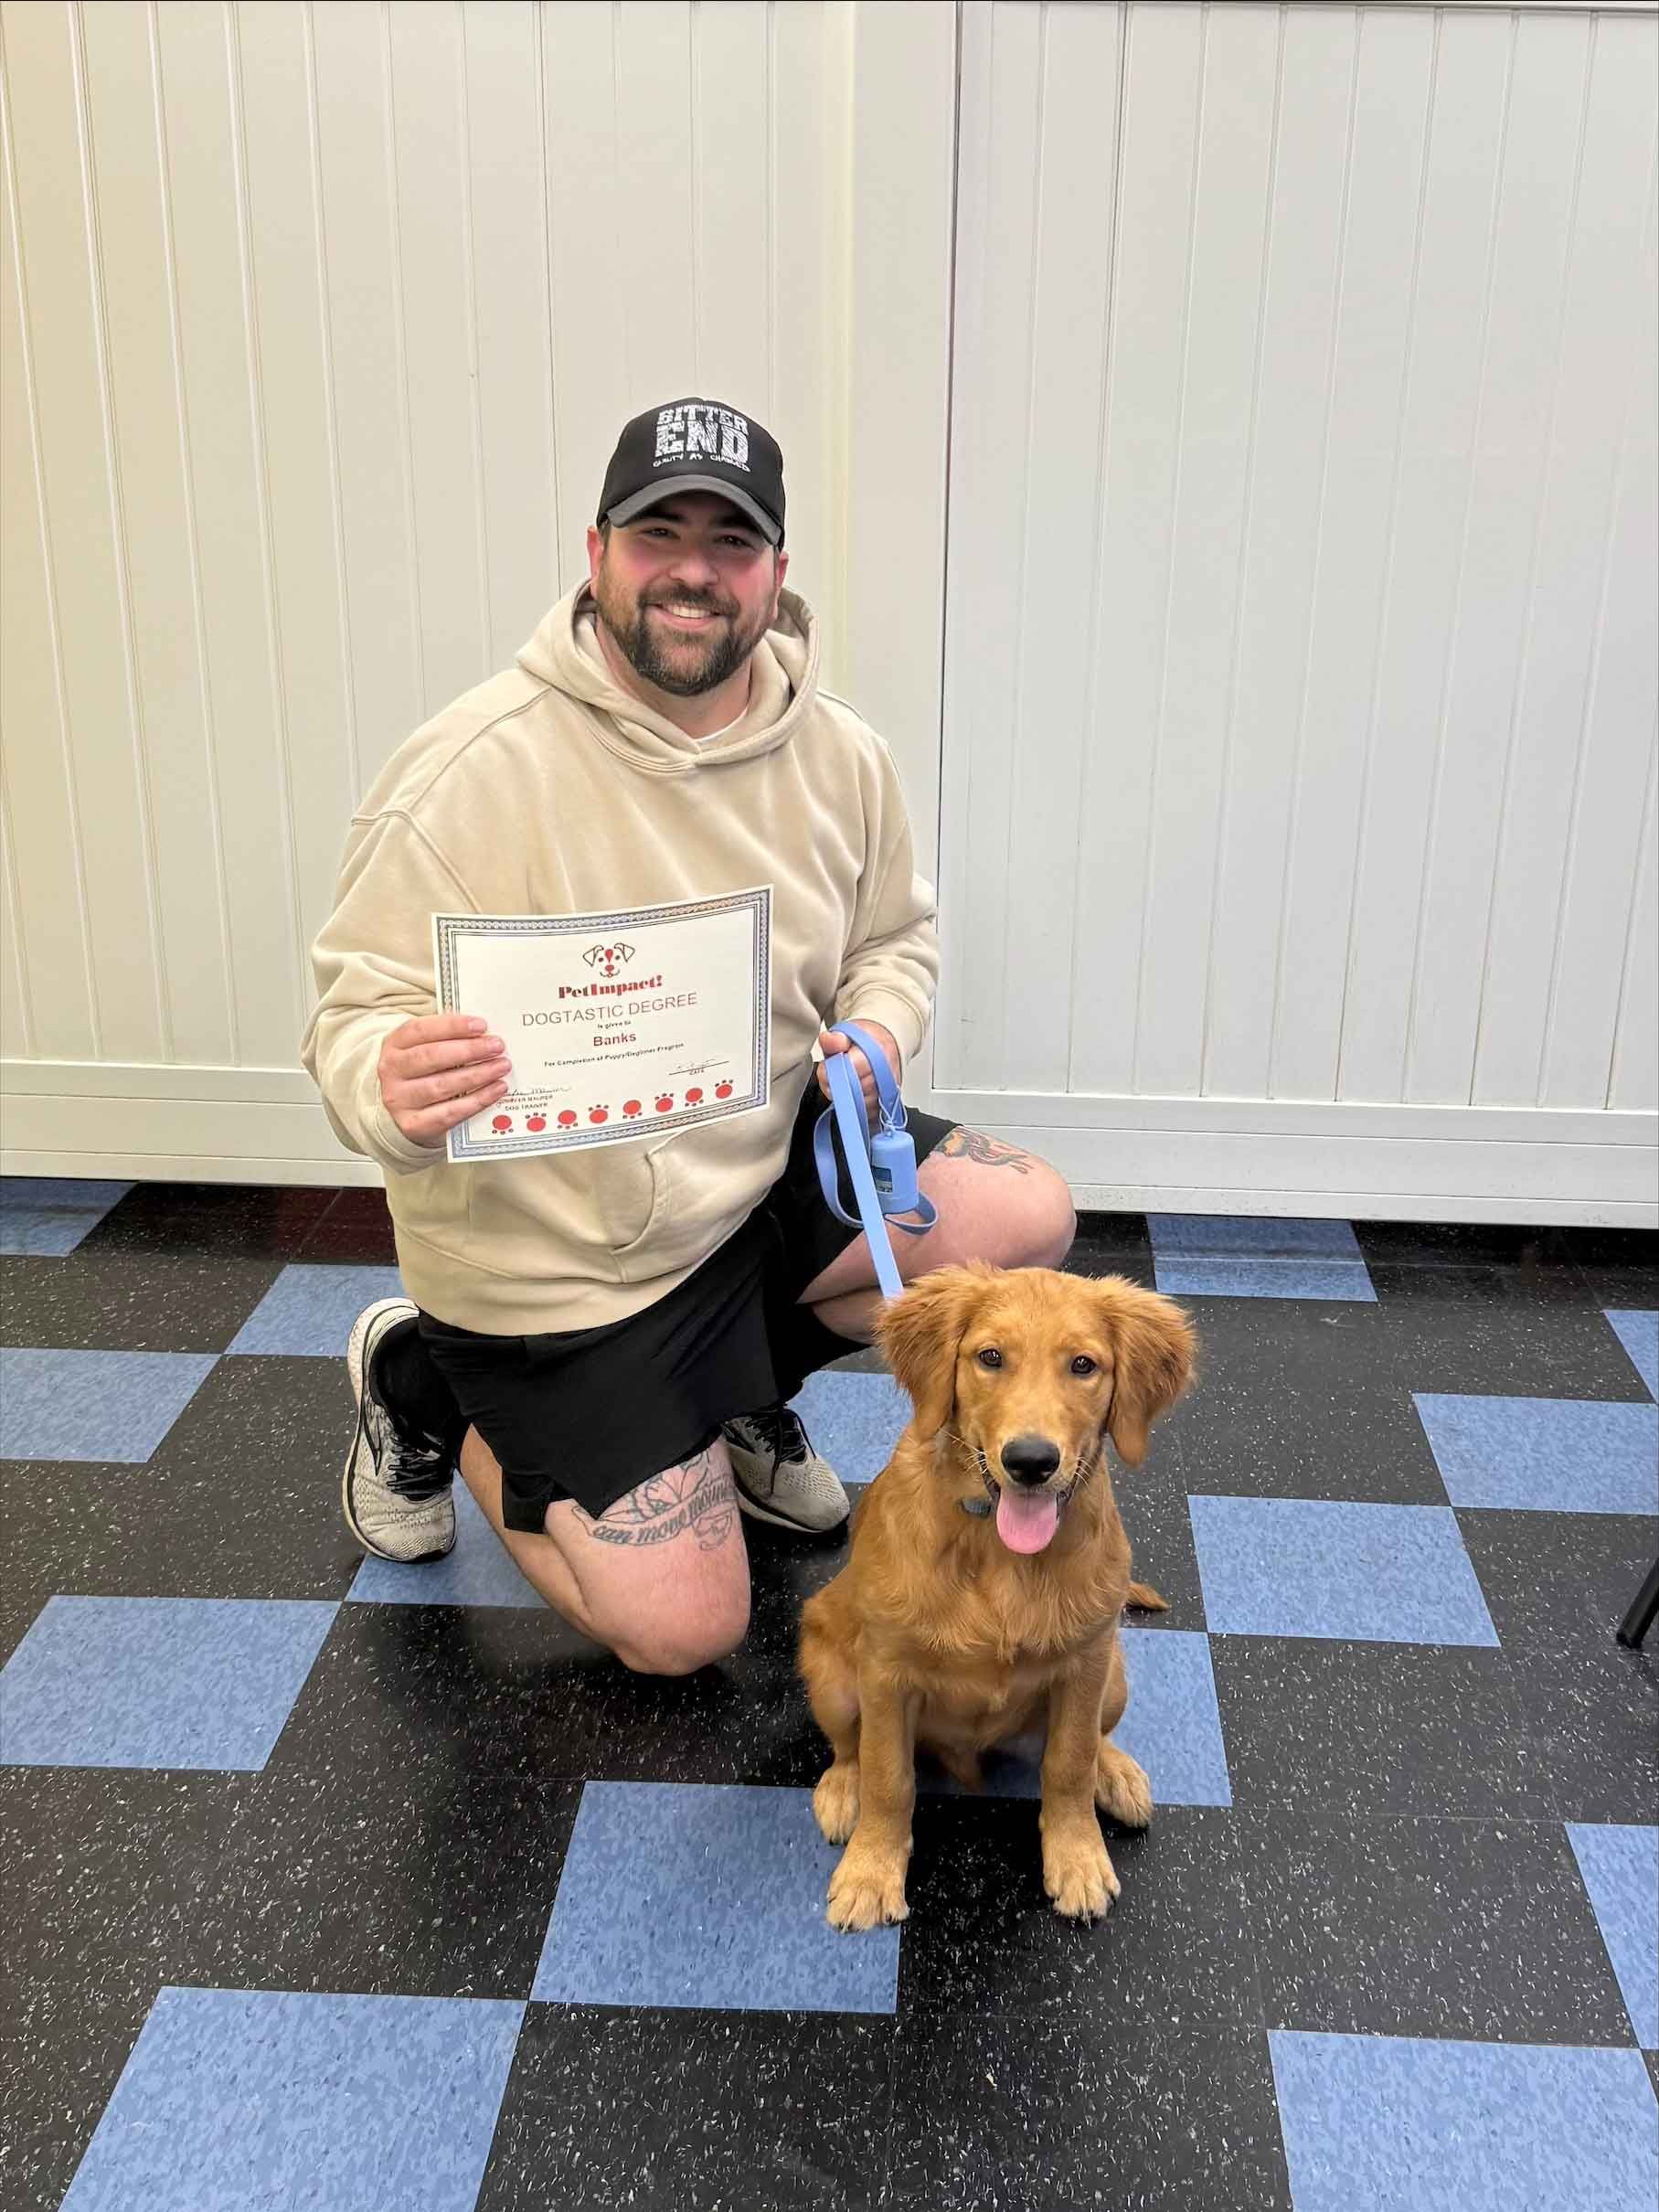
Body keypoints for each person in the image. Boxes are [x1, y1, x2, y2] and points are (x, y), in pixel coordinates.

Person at [300, 396, 1077, 1676]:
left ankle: (730, 1396)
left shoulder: (842, 756)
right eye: (660, 533)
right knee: (682, 1635)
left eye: (732, 540)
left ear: (775, 570)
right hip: (563, 1264)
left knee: (1025, 1215)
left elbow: (895, 938)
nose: (693, 571)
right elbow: (350, 1013)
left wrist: (880, 1028)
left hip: (751, 1180)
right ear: (597, 552)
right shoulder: (466, 772)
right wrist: (383, 1079)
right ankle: (423, 1381)